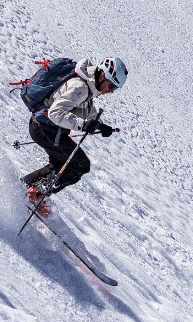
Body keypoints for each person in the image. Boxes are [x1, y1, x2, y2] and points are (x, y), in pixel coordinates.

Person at [24, 56, 127, 211]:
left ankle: (27, 187)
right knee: (80, 165)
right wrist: (83, 125)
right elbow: (55, 112)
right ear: (102, 75)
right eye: (111, 86)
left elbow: (84, 108)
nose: (110, 92)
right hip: (45, 129)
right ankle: (36, 193)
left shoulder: (89, 84)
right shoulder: (80, 87)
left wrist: (99, 125)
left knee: (59, 165)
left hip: (45, 128)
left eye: (114, 89)